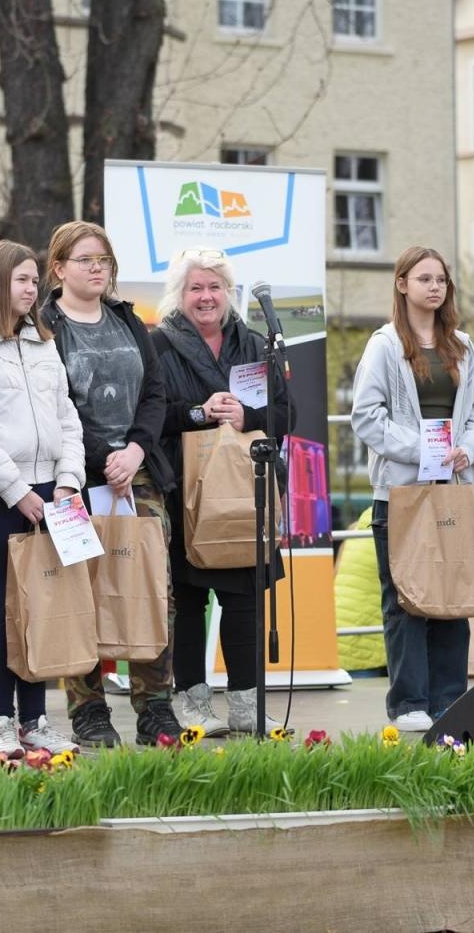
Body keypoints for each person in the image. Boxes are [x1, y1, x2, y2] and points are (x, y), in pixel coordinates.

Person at [39, 221, 183, 746]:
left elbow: (156, 394)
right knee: (81, 591)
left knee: (152, 588)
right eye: (85, 260)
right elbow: (54, 407)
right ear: (58, 269)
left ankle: (155, 705)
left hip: (138, 476)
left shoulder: (127, 319)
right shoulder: (43, 326)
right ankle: (89, 711)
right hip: (74, 478)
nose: (97, 268)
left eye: (104, 259)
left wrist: (136, 450)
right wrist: (105, 458)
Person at [0, 240, 84, 759]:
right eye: (21, 280)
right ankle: (1, 720)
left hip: (55, 489)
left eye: (34, 281)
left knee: (44, 605)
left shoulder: (44, 341)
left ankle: (36, 720)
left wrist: (68, 480)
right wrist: (18, 491)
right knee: (7, 607)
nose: (31, 290)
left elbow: (66, 415)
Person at [351, 246, 474, 730]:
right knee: (405, 599)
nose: (435, 287)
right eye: (424, 278)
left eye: (442, 280)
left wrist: (466, 450)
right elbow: (366, 418)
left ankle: (450, 700)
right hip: (402, 493)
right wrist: (422, 448)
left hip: (452, 489)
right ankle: (409, 703)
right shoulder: (385, 345)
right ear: (402, 284)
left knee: (453, 593)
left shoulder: (463, 345)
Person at [153, 247, 294, 736]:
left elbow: (286, 412)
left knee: (245, 600)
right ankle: (192, 700)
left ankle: (244, 704)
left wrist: (248, 418)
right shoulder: (159, 345)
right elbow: (151, 417)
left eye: (215, 287)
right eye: (196, 287)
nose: (206, 297)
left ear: (229, 294)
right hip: (182, 488)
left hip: (245, 490)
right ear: (180, 294)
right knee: (190, 602)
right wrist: (200, 411)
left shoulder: (256, 345)